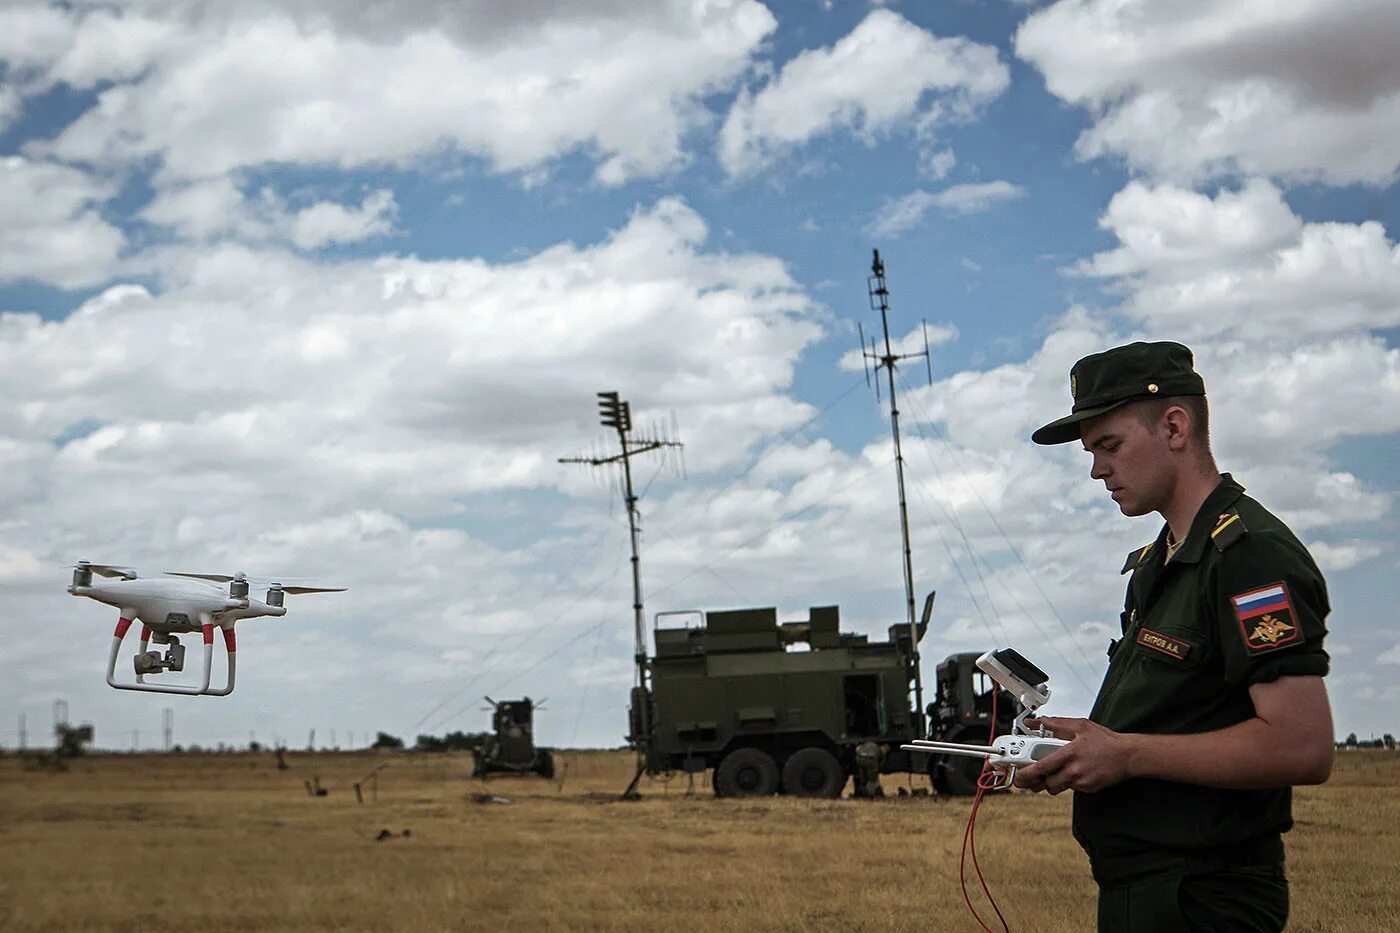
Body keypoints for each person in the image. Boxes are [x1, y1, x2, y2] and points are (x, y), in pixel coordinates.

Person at [1016, 341, 1334, 932]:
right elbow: (1179, 714)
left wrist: (1126, 754)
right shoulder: (1160, 563)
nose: (1096, 469)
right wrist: (1089, 746)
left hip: (1203, 898)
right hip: (1150, 894)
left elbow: (1302, 746)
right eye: (1091, 452)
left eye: (1109, 446)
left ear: (1174, 426)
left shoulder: (1249, 557)